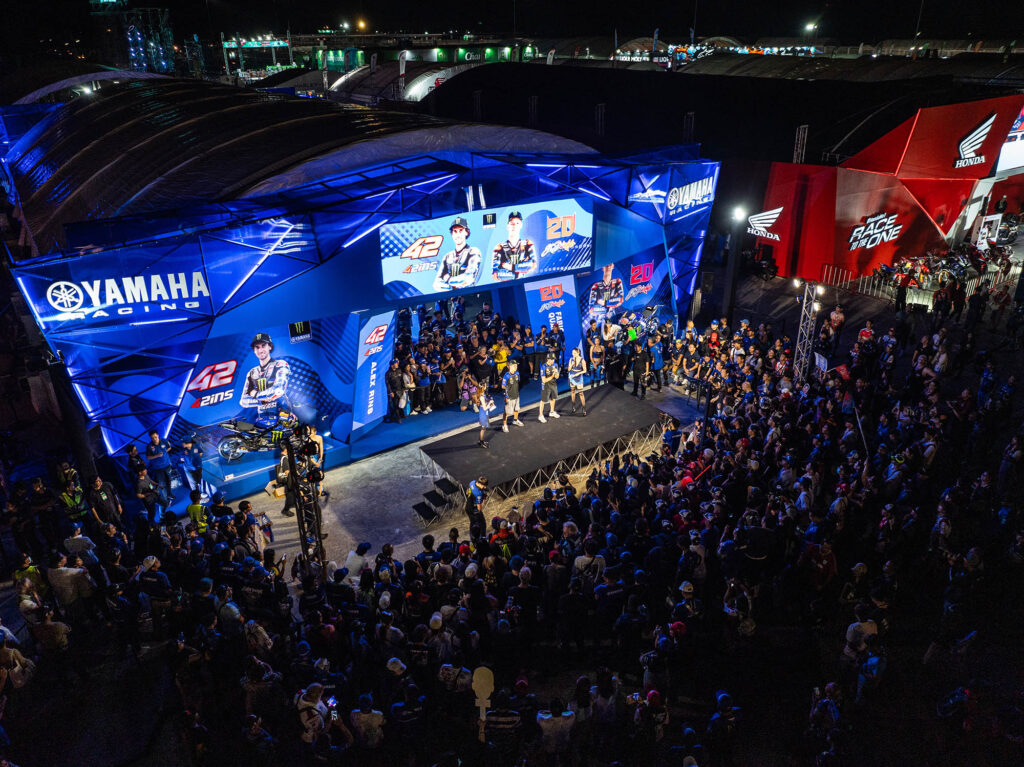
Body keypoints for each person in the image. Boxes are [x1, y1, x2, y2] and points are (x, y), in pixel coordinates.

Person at [239, 333, 292, 433]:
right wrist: (263, 400)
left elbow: (278, 390)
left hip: (283, 417)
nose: (260, 350)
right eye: (257, 347)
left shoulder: (280, 364)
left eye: (263, 346)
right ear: (254, 350)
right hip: (262, 421)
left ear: (270, 347)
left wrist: (256, 394)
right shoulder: (252, 373)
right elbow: (244, 401)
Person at [433, 217, 482, 291]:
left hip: (471, 294)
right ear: (452, 234)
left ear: (466, 232)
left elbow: (469, 278)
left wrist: (448, 279)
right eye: (455, 231)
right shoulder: (447, 256)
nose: (458, 235)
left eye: (461, 230)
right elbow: (436, 284)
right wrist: (453, 287)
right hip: (451, 296)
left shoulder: (473, 251)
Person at [492, 210, 537, 281]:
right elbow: (495, 274)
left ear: (521, 225)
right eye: (512, 223)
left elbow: (532, 265)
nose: (514, 226)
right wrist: (518, 274)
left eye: (517, 223)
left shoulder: (527, 244)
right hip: (507, 285)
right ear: (507, 226)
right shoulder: (499, 247)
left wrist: (511, 267)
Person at [145, 429, 173, 505]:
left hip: (167, 465)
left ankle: (169, 494)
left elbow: (169, 447)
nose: (154, 439)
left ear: (158, 435)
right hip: (158, 468)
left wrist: (165, 452)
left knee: (169, 481)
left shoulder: (164, 441)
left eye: (155, 437)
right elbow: (148, 457)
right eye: (152, 438)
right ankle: (166, 500)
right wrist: (156, 456)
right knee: (162, 484)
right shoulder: (149, 446)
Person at [501, 359, 524, 432]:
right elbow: (502, 386)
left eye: (516, 365)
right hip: (509, 397)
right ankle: (504, 425)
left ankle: (515, 420)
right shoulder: (506, 375)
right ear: (510, 366)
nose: (516, 367)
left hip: (516, 395)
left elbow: (517, 382)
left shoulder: (517, 373)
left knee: (516, 409)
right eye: (514, 366)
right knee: (507, 412)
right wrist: (507, 387)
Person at [539, 353, 561, 423]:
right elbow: (544, 380)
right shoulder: (543, 367)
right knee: (543, 400)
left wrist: (556, 373)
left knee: (553, 398)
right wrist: (552, 376)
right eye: (552, 359)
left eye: (554, 359)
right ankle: (540, 415)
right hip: (546, 385)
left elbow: (557, 377)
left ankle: (552, 412)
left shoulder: (555, 365)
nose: (553, 361)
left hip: (553, 384)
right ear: (548, 359)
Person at [567, 346, 588, 416]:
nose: (573, 354)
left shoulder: (582, 360)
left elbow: (585, 370)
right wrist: (571, 365)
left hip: (578, 377)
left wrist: (578, 374)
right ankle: (573, 406)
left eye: (575, 353)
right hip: (572, 376)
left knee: (581, 393)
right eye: (572, 353)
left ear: (578, 353)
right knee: (572, 391)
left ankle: (584, 408)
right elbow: (568, 369)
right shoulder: (571, 359)